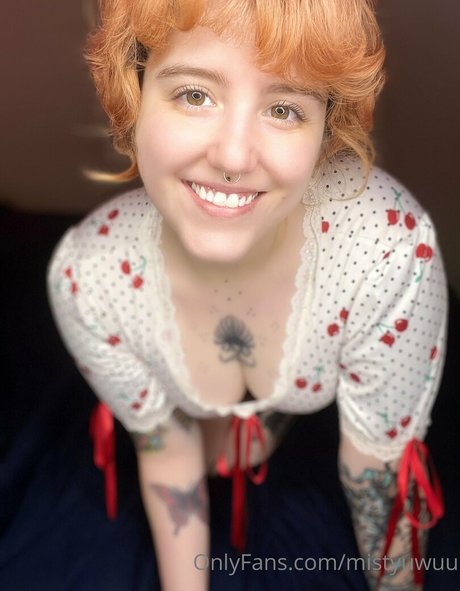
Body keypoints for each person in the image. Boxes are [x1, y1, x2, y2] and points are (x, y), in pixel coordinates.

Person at [47, 0, 448, 589]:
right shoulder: (89, 279)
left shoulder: (388, 252)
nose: (233, 156)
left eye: (284, 109)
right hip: (213, 416)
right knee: (220, 458)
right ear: (134, 95)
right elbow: (167, 455)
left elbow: (379, 472)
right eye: (194, 95)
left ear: (325, 132)